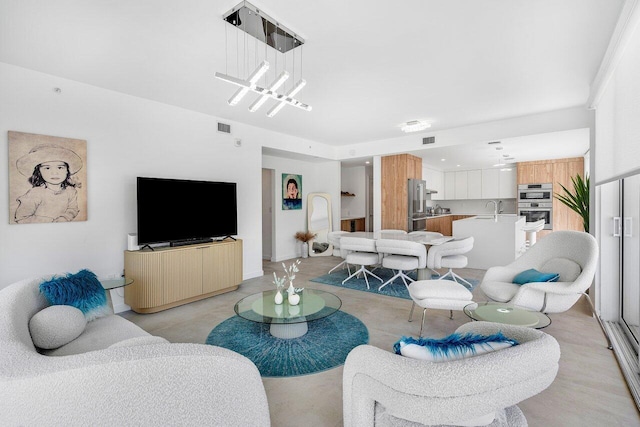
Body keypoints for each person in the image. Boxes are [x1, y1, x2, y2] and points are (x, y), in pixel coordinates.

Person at [14, 144, 83, 223]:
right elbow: (21, 218)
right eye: (47, 168)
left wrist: (64, 218)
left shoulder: (71, 191)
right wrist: (50, 222)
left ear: (67, 170)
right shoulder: (35, 193)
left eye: (60, 167)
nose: (54, 173)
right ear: (39, 172)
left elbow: (72, 209)